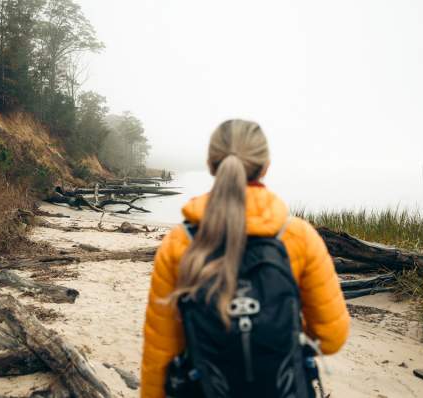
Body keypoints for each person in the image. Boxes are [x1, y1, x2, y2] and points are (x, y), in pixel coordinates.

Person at [141, 119, 350, 398]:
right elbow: (331, 338)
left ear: (211, 164)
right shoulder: (298, 237)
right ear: (265, 166)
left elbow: (160, 354)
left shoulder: (180, 242)